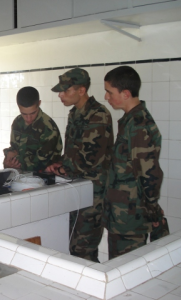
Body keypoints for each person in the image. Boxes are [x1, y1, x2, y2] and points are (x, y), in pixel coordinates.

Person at [45, 68, 114, 262]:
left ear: (81, 90)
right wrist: (60, 163)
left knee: (83, 249)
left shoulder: (98, 115)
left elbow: (90, 159)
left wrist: (64, 167)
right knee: (72, 246)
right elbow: (73, 153)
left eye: (65, 91)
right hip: (76, 189)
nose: (60, 95)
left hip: (93, 194)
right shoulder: (75, 113)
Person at [102, 65, 168, 259]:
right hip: (122, 215)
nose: (106, 97)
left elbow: (150, 174)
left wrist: (153, 211)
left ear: (126, 93)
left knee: (126, 269)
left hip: (131, 219)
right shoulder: (130, 121)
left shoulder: (139, 125)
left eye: (109, 92)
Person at [3, 86, 62, 172]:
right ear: (18, 106)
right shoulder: (18, 122)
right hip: (20, 176)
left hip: (44, 178)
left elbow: (41, 162)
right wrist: (8, 160)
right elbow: (14, 149)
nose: (29, 118)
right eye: (24, 114)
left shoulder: (48, 127)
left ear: (39, 103)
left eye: (33, 113)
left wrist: (15, 162)